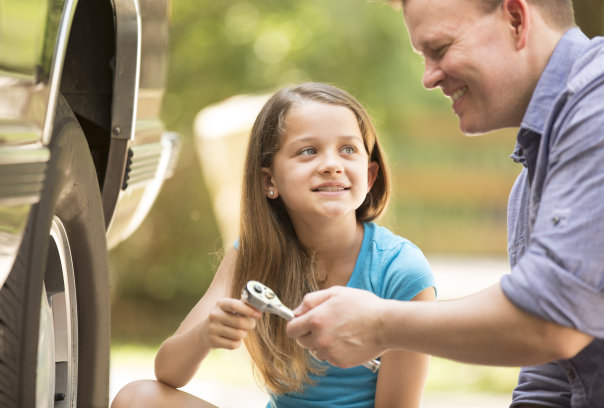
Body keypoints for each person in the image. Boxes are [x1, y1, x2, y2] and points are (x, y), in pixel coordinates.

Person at [286, 0, 604, 407]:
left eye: (439, 49)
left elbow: (550, 320)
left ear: (515, 18)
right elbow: (555, 375)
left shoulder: (596, 108)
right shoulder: (530, 184)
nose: (428, 78)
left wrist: (380, 324)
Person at [111, 82, 436, 408]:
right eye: (308, 151)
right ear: (270, 182)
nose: (331, 164)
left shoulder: (401, 271)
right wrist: (204, 335)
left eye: (348, 149)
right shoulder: (252, 256)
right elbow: (167, 373)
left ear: (369, 175)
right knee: (136, 399)